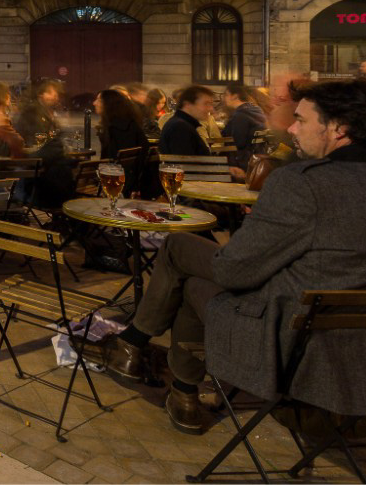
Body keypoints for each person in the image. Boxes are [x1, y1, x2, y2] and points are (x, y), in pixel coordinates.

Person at [101, 80, 366, 433]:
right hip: (351, 339)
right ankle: (163, 375)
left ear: (338, 128)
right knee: (186, 258)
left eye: (301, 120)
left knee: (188, 271)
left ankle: (148, 358)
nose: (291, 127)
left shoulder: (303, 184)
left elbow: (233, 272)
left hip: (290, 343)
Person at [95, 88, 151, 195]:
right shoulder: (130, 124)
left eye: (99, 100)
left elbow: (111, 163)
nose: (94, 103)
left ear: (108, 105)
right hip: (134, 184)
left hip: (119, 187)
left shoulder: (115, 130)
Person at [222, 83, 268, 170]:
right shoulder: (257, 110)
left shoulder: (240, 115)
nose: (225, 98)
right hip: (256, 159)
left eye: (227, 95)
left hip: (240, 164)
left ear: (235, 96)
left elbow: (238, 143)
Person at [15, 79, 63, 148]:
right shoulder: (33, 111)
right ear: (40, 95)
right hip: (33, 153)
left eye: (56, 93)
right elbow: (38, 137)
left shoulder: (47, 110)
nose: (55, 96)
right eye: (49, 93)